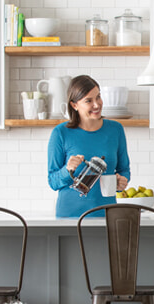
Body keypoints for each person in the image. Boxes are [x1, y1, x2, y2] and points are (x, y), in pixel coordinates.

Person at [47, 75, 130, 217]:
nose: (97, 104)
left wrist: (122, 181)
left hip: (107, 215)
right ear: (74, 105)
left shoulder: (115, 130)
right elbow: (53, 182)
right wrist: (68, 170)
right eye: (88, 101)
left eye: (98, 97)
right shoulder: (61, 133)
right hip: (69, 216)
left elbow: (124, 170)